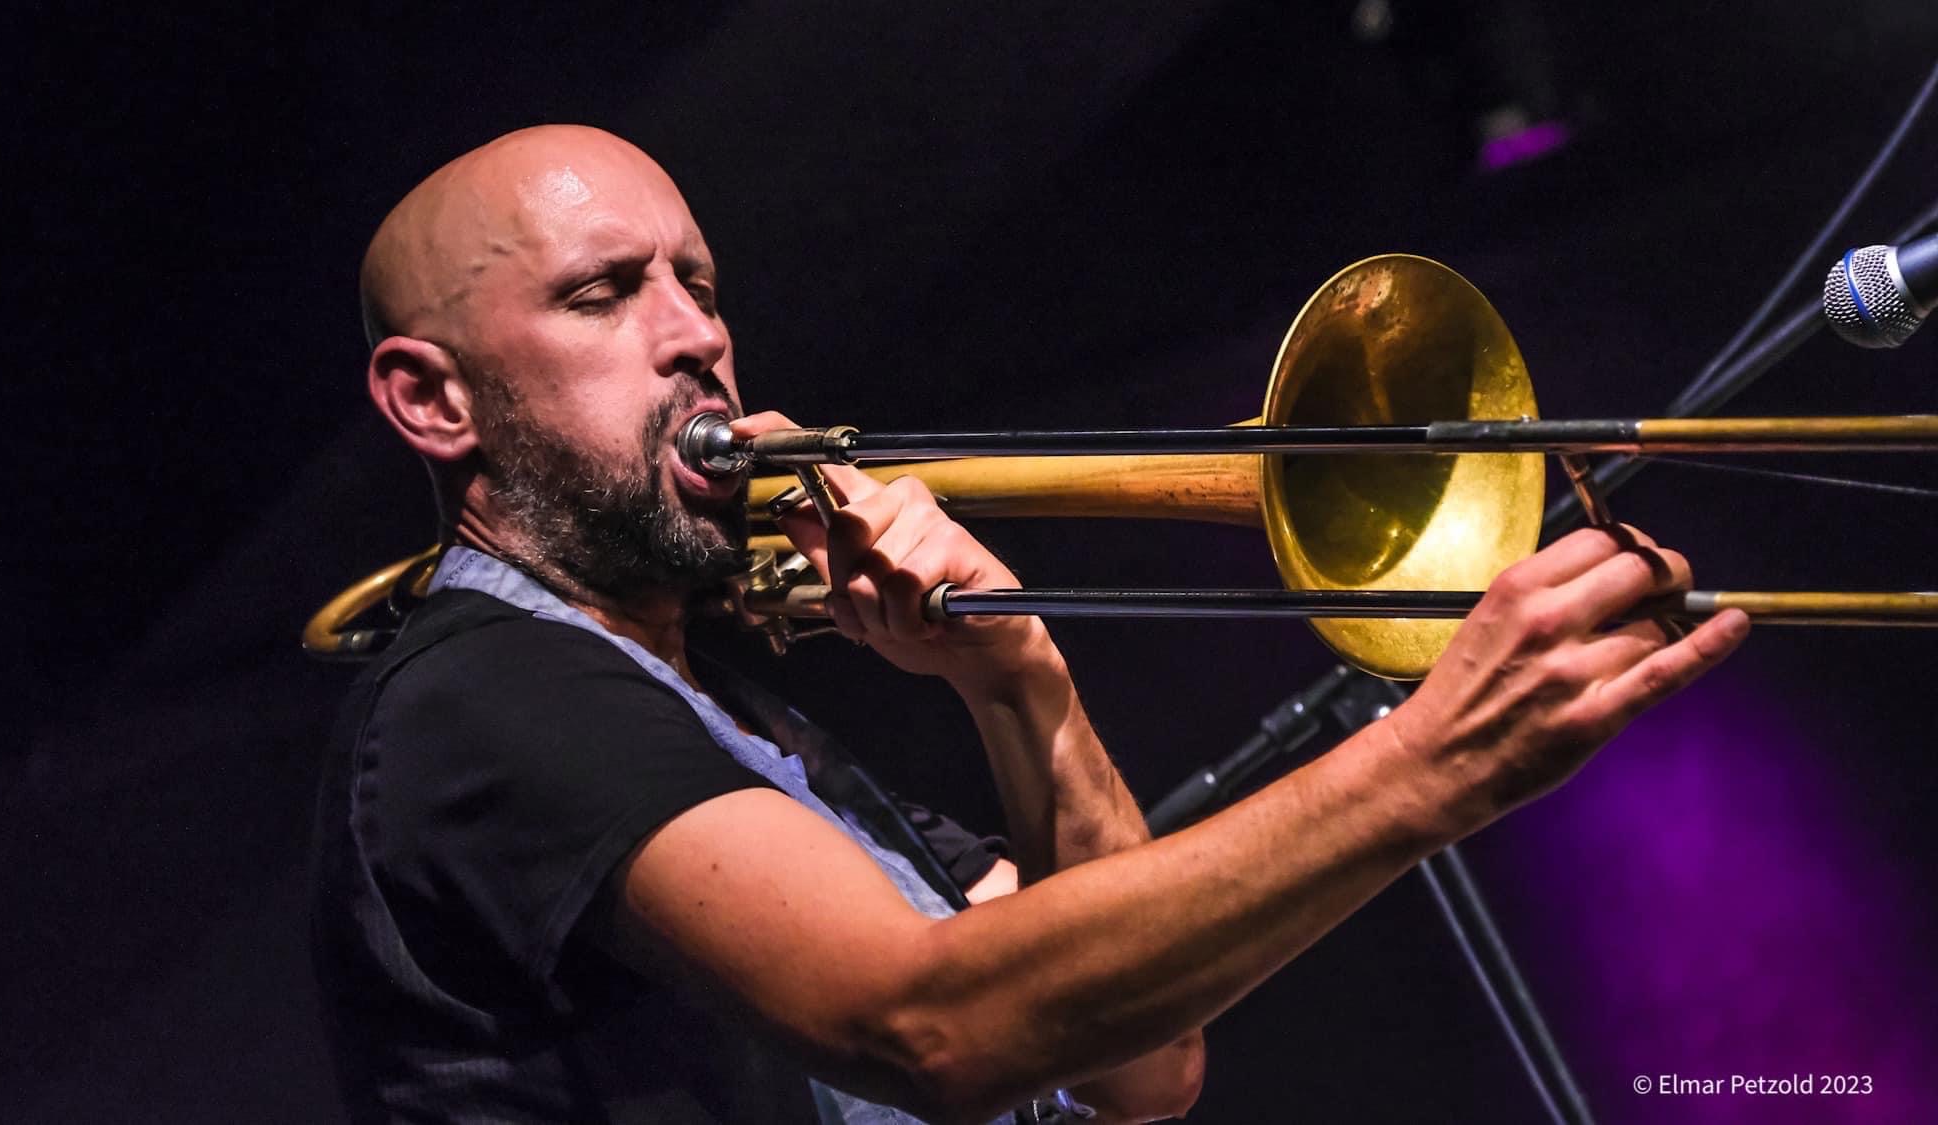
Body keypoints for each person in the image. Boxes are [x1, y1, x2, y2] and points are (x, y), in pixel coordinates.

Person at [311, 124, 1749, 1125]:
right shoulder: (485, 692)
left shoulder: (743, 723)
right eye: (601, 295)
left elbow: (1142, 1070)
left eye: (697, 284)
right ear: (433, 400)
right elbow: (928, 1028)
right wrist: (1436, 762)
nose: (695, 335)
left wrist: (1020, 683)